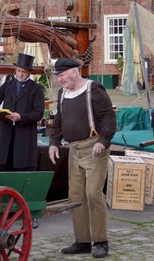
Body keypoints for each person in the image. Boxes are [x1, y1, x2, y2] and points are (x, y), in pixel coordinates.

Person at [48, 58, 116, 259]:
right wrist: (53, 142)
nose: (59, 80)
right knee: (76, 197)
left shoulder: (93, 89)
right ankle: (83, 241)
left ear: (74, 72)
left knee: (93, 194)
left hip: (93, 149)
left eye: (61, 75)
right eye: (57, 76)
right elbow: (58, 122)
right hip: (74, 151)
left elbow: (109, 118)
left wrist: (103, 141)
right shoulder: (63, 94)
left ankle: (101, 241)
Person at [0, 53, 44, 228]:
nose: (20, 74)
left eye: (24, 72)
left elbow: (39, 113)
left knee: (26, 177)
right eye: (18, 71)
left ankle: (30, 214)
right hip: (7, 139)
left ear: (29, 72)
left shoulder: (36, 89)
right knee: (7, 175)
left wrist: (22, 117)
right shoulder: (8, 85)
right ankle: (7, 212)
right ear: (15, 70)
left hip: (24, 140)